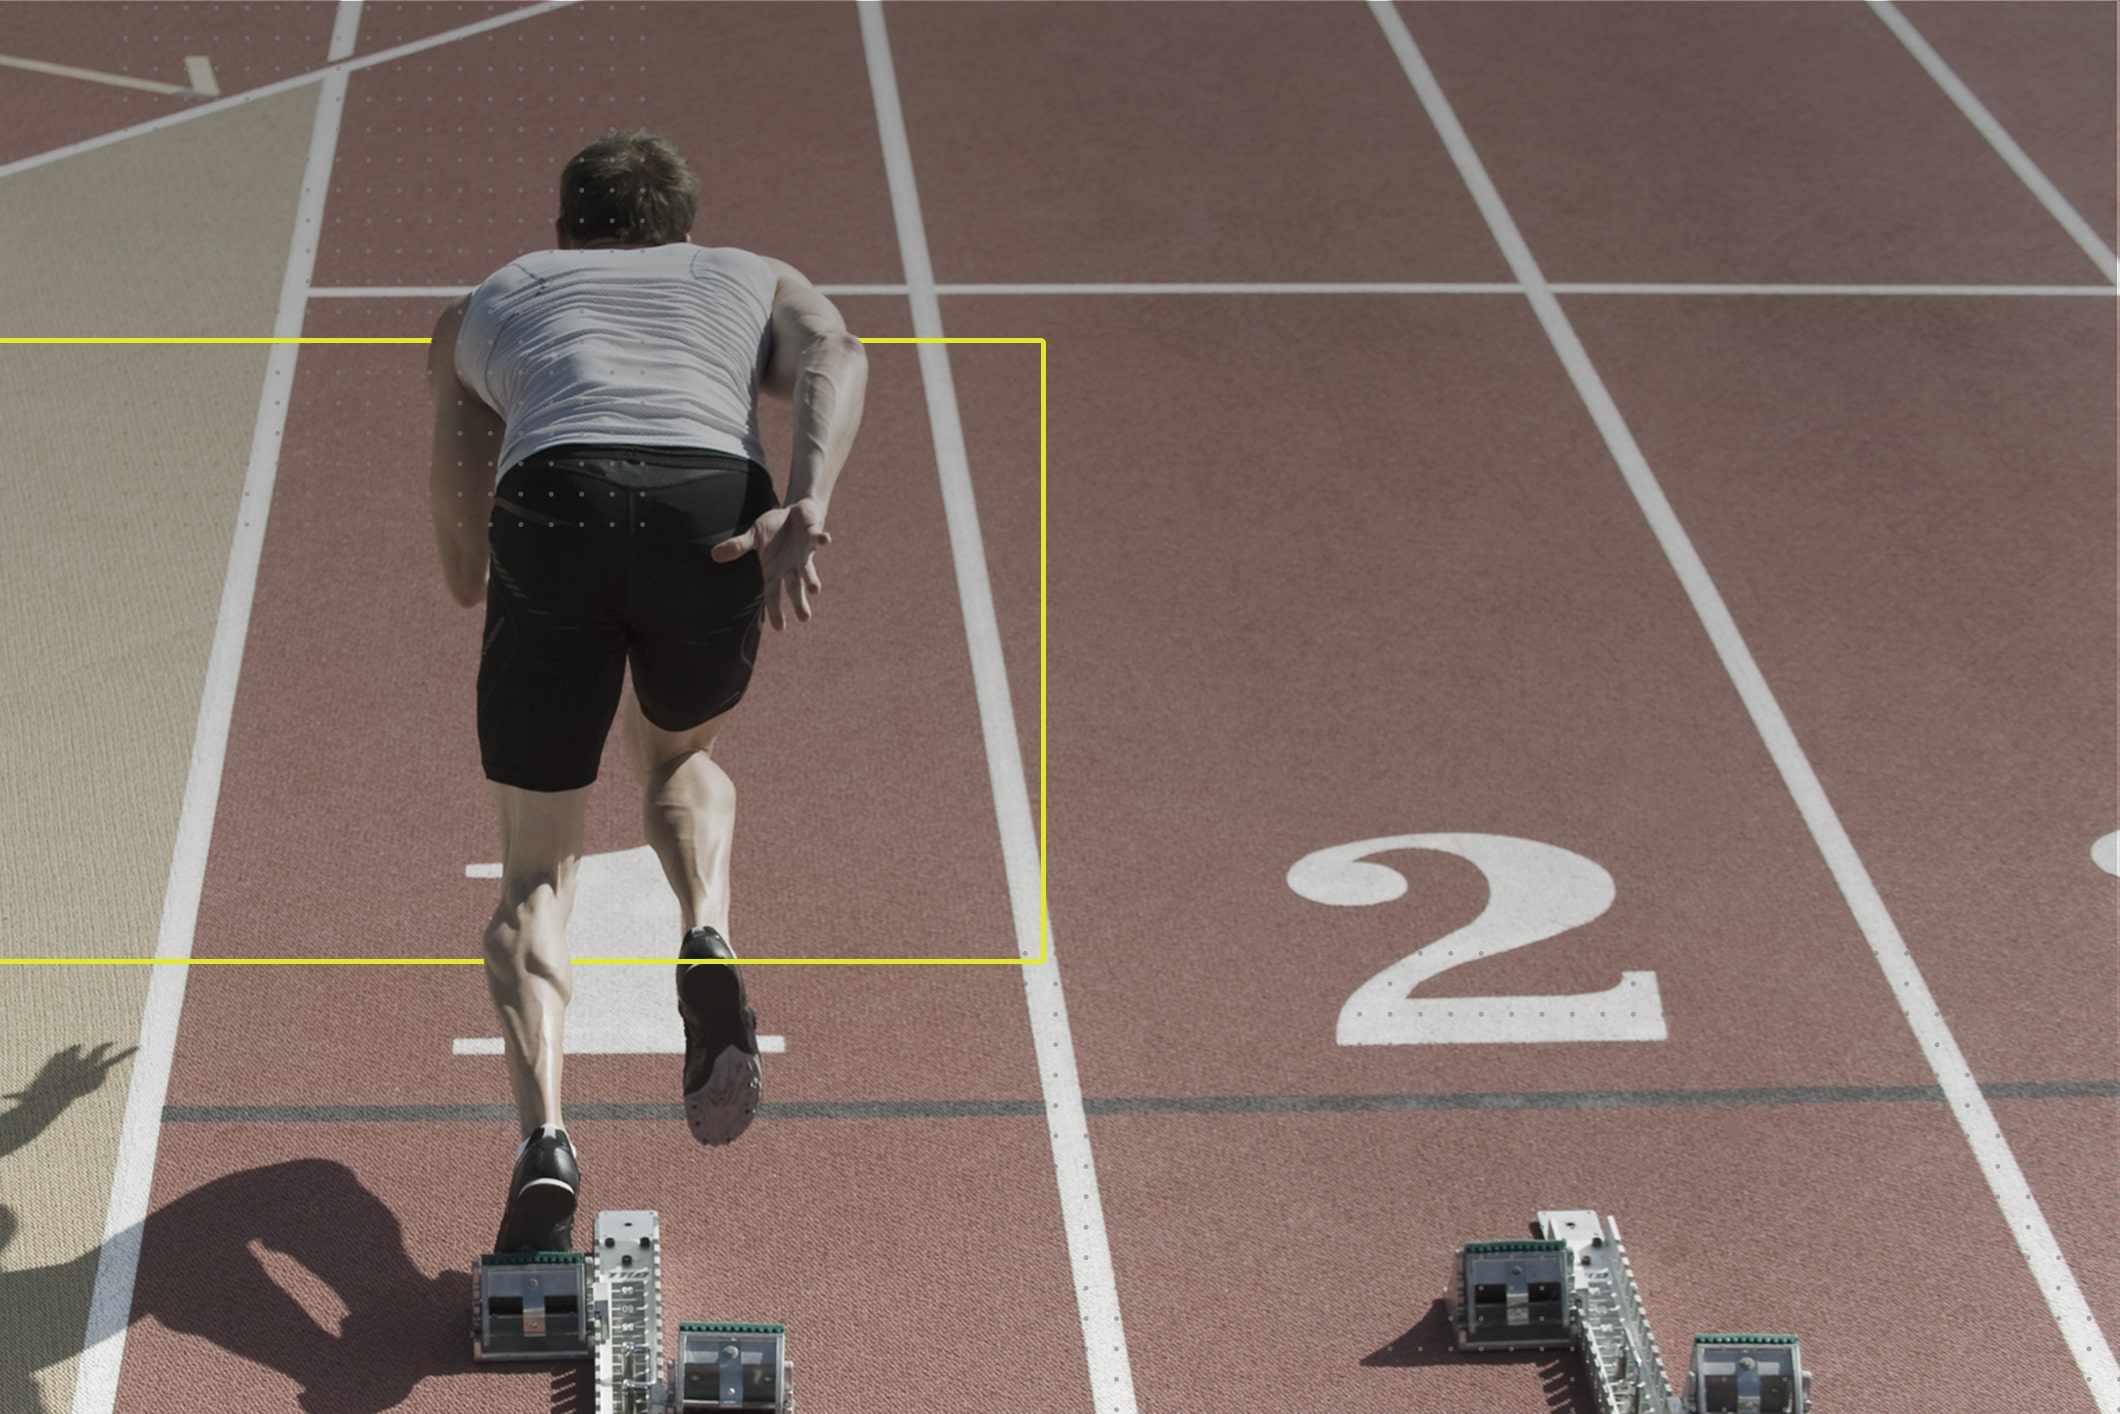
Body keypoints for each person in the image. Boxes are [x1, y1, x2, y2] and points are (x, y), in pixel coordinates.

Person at [423, 129, 868, 1254]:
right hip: (706, 510)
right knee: (676, 757)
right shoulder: (745, 272)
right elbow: (834, 350)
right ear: (682, 228)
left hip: (555, 501)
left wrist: (480, 573)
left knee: (534, 867)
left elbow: (459, 480)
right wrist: (806, 495)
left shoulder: (493, 295)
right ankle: (706, 930)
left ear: (566, 231)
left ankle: (547, 1141)